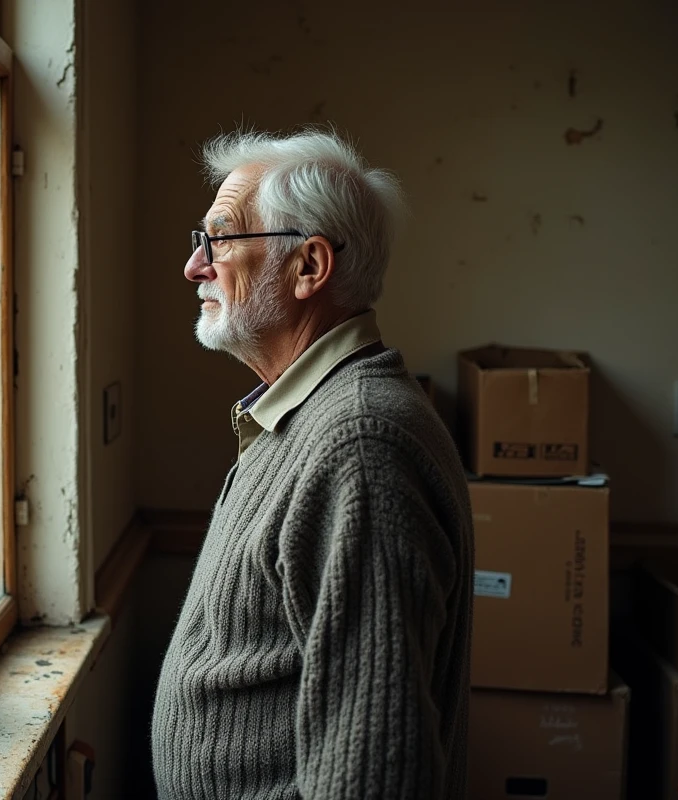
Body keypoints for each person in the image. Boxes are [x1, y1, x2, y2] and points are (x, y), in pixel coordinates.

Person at [150, 128, 474, 800]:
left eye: (220, 239)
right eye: (198, 240)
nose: (195, 266)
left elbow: (375, 772)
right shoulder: (305, 417)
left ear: (309, 267)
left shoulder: (358, 446)